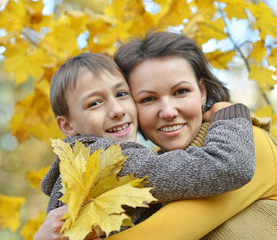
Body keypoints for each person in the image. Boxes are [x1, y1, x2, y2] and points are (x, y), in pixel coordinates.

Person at [34, 52, 255, 240]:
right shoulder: (103, 158)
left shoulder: (77, 165)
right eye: (95, 103)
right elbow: (229, 165)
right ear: (67, 125)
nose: (117, 110)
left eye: (121, 94)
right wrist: (229, 115)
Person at [101, 31, 277, 239]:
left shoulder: (247, 144)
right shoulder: (153, 172)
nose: (168, 112)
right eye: (148, 99)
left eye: (180, 91)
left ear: (202, 92)